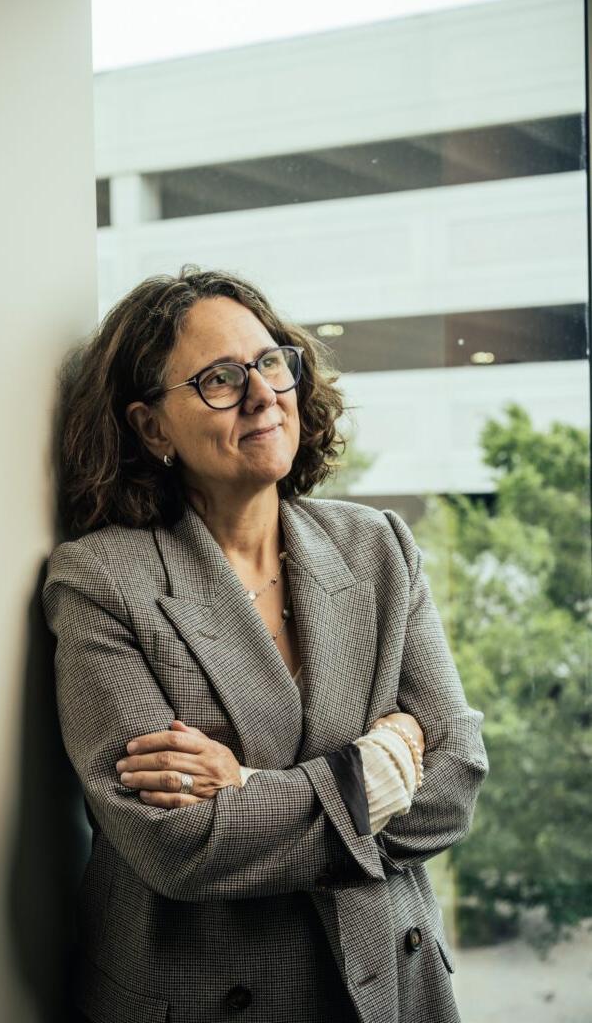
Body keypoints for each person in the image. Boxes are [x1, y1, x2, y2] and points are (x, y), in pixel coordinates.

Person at [42, 265, 489, 1023]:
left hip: (392, 983)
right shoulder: (100, 581)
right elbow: (177, 843)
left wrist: (245, 788)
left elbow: (452, 783)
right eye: (219, 378)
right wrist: (374, 775)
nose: (261, 394)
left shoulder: (377, 545)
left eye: (270, 361)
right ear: (152, 427)